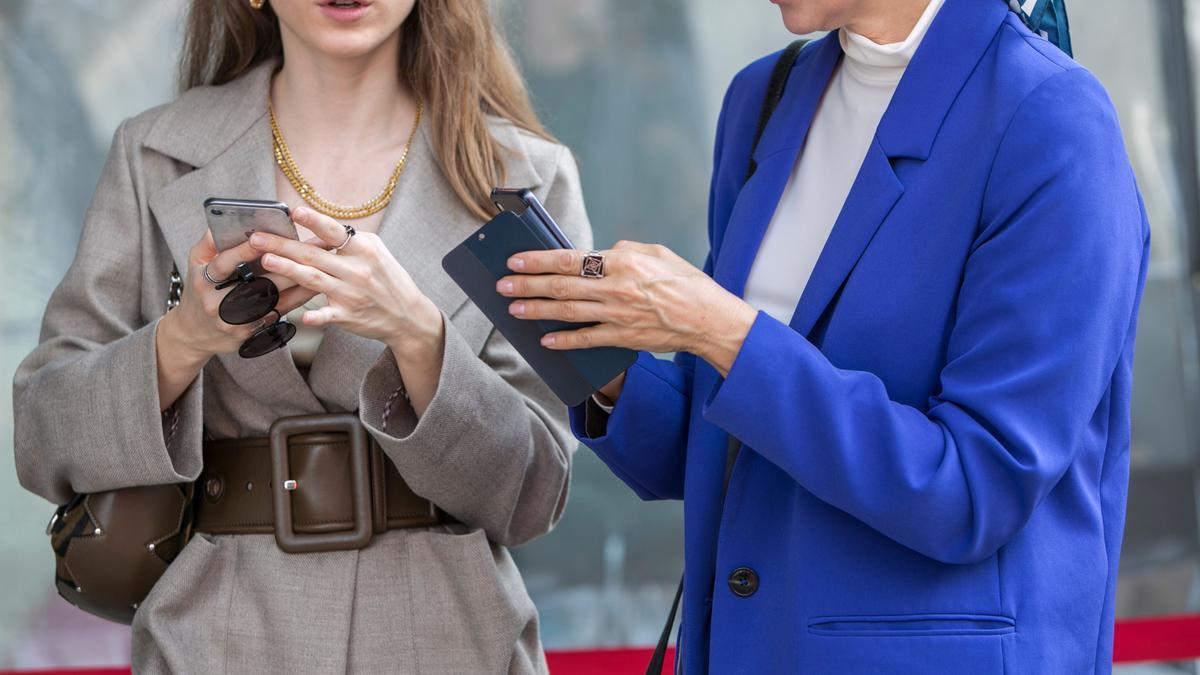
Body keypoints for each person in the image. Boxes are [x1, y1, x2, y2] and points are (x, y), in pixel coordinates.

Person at [500, 0, 1147, 672]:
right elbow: (735, 442)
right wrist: (607, 366)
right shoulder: (765, 99)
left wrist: (719, 328)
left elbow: (976, 488)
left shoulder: (1049, 120)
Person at [13, 0, 589, 671]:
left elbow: (537, 492)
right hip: (215, 635)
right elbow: (43, 433)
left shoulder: (526, 179)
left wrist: (419, 338)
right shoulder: (153, 155)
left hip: (448, 633)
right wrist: (182, 341)